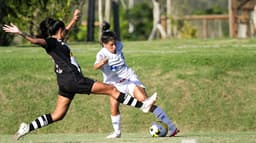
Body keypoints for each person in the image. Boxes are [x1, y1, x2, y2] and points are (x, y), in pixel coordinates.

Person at [2, 9, 157, 140]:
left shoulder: (59, 42)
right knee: (112, 89)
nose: (65, 33)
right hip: (74, 79)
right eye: (63, 31)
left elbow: (65, 30)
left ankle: (27, 127)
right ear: (59, 31)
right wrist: (20, 33)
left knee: (58, 115)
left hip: (64, 83)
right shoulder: (51, 42)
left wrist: (74, 19)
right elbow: (37, 41)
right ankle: (143, 105)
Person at [93, 22, 179, 138]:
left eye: (114, 44)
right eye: (111, 45)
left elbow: (110, 40)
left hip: (129, 80)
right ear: (104, 45)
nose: (114, 47)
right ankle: (117, 132)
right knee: (113, 106)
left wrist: (105, 32)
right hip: (114, 85)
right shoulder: (101, 55)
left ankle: (172, 128)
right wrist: (102, 63)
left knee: (147, 105)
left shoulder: (119, 45)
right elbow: (95, 67)